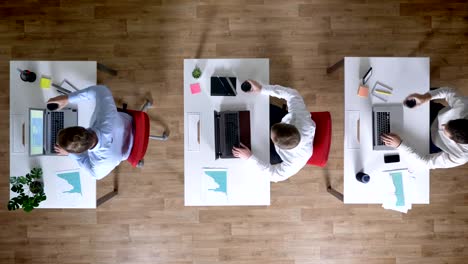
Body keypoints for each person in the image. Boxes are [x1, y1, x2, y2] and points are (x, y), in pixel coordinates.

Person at [232, 80, 315, 182]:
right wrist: (262, 89)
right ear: (288, 125)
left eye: (271, 135)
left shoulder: (296, 160)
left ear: (275, 142)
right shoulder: (301, 118)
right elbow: (293, 94)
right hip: (284, 121)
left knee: (257, 152)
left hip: (277, 152)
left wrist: (250, 158)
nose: (269, 129)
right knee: (258, 104)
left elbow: (274, 175)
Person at [48, 85, 134, 180]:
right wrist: (67, 98)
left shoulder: (100, 163)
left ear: (82, 151)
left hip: (131, 149)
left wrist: (70, 153)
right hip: (130, 124)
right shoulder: (105, 117)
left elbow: (96, 175)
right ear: (79, 127)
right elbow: (102, 90)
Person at [381, 87, 468, 169]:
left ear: (455, 142)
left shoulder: (461, 156)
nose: (443, 125)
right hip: (434, 113)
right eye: (449, 122)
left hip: (432, 141)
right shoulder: (464, 107)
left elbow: (426, 163)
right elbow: (448, 91)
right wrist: (425, 97)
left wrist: (400, 145)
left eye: (446, 130)